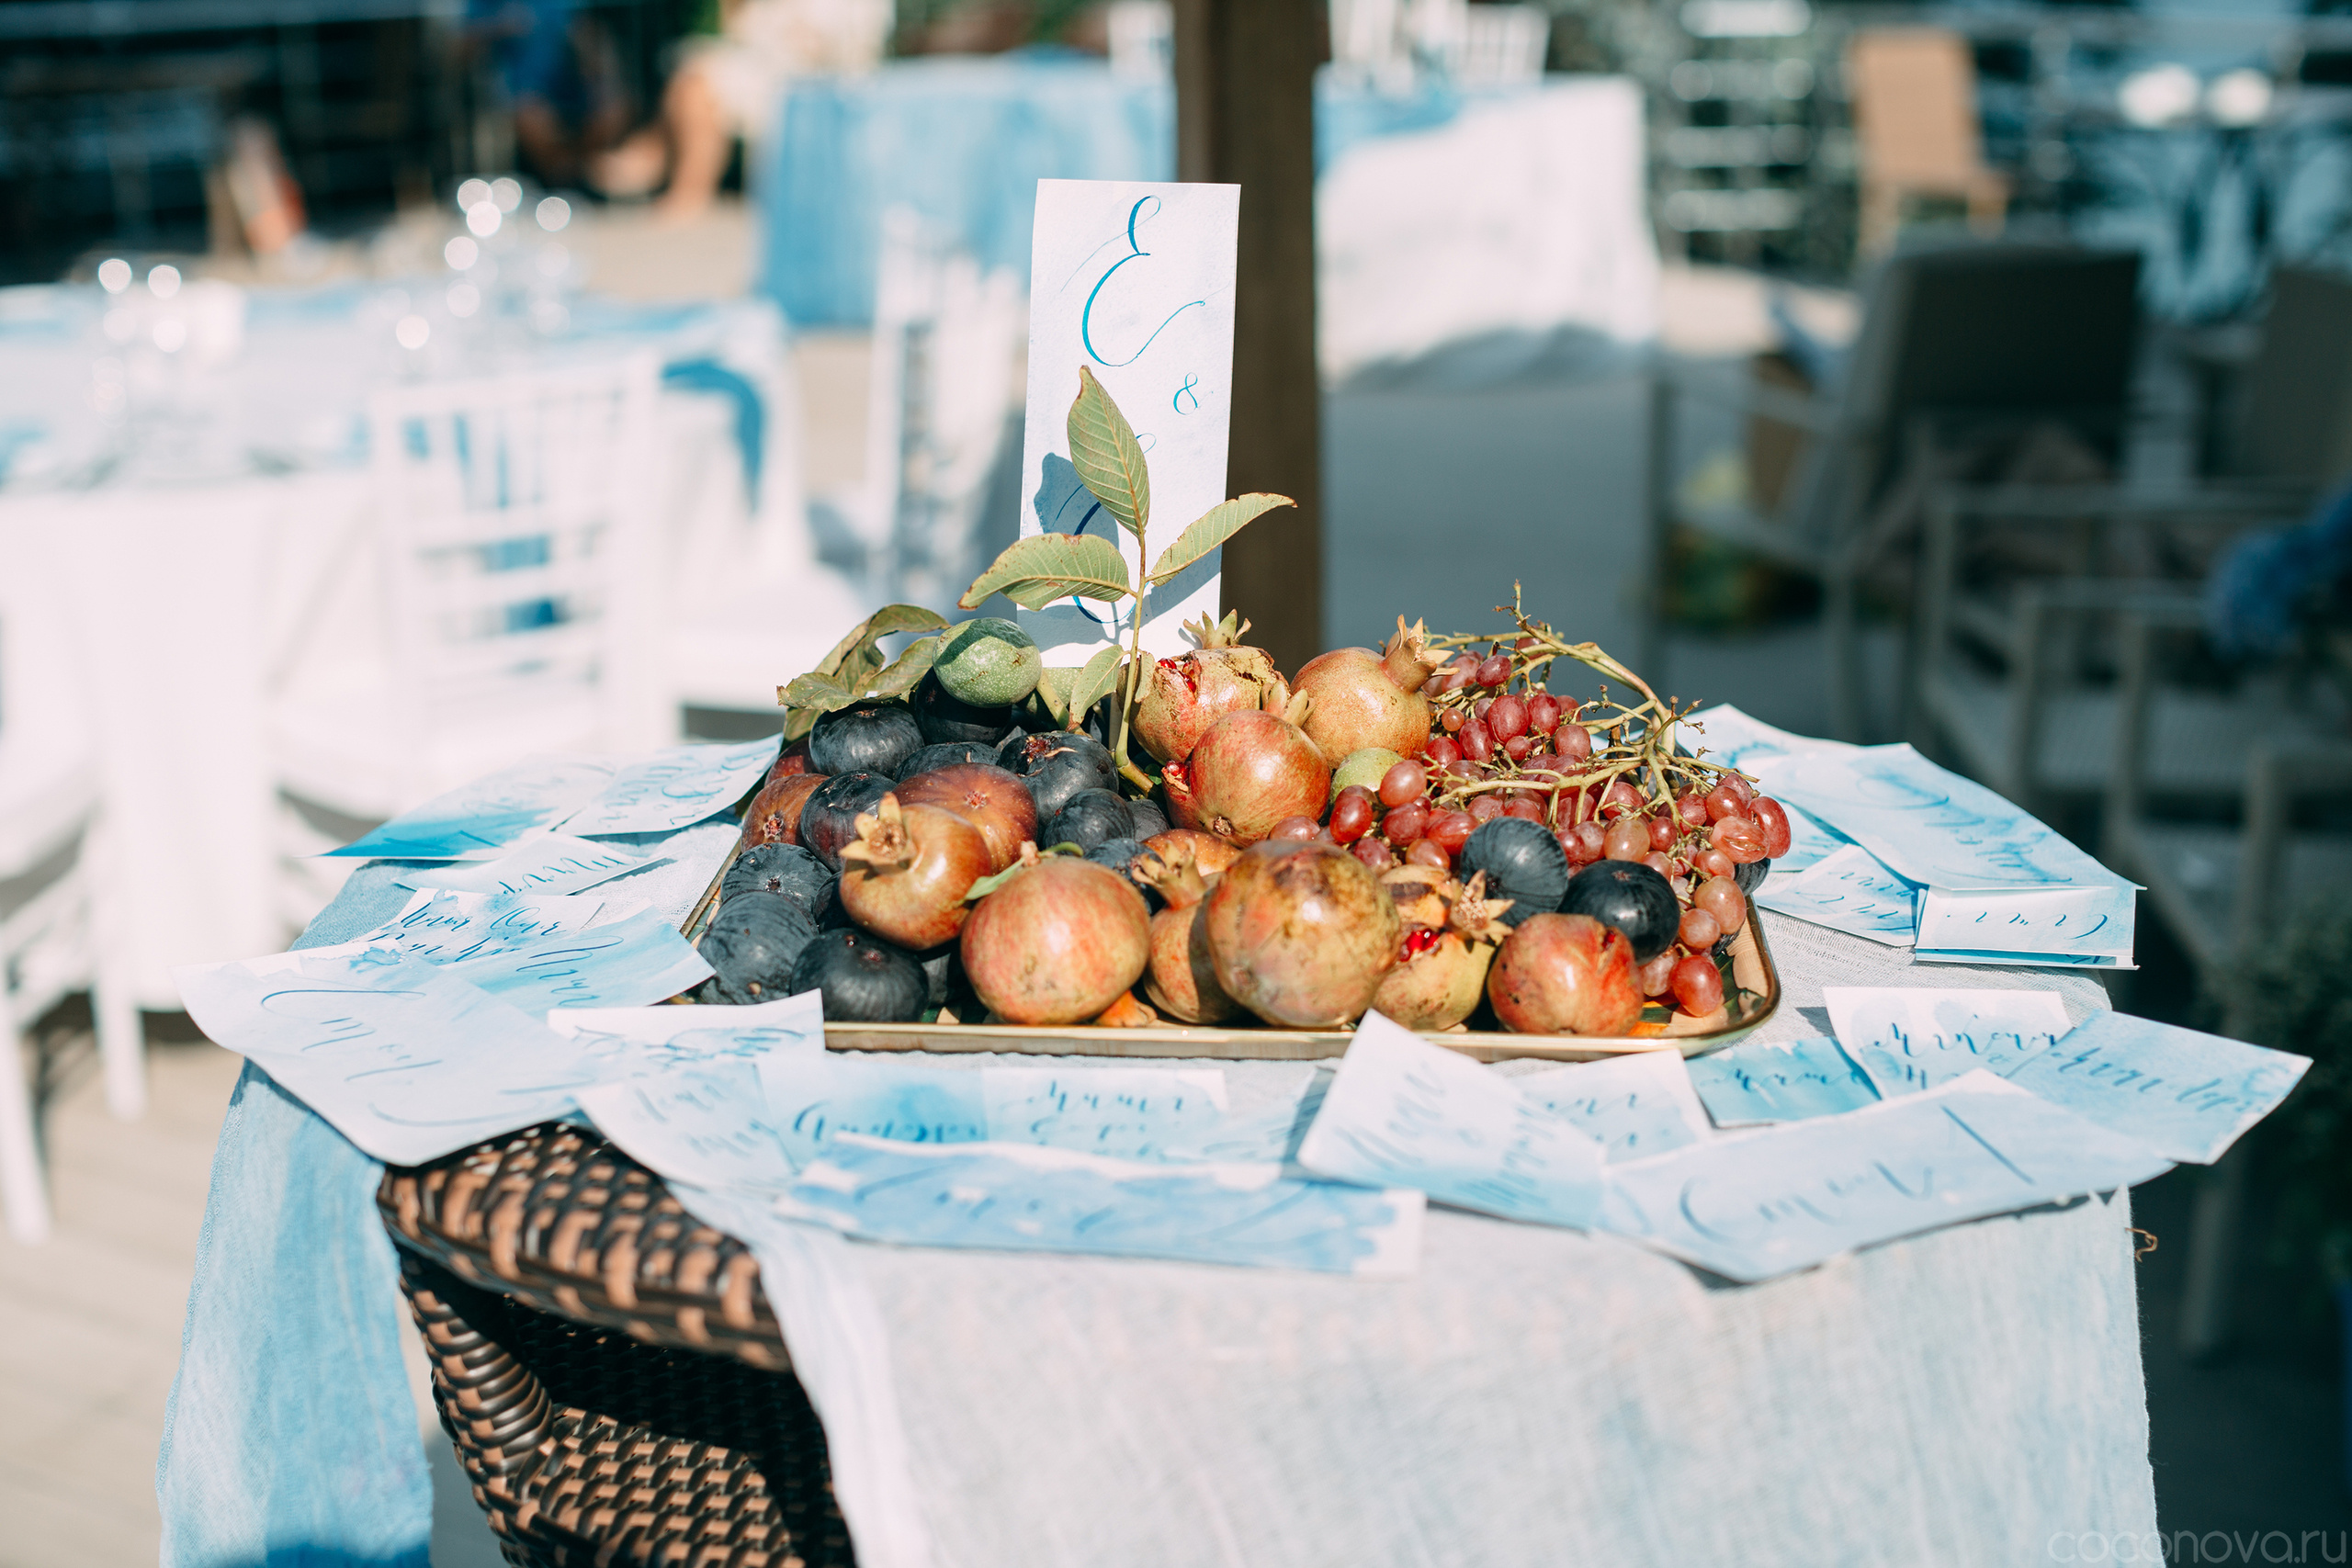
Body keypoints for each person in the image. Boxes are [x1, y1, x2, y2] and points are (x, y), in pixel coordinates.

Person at [593, 0, 891, 220]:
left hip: (818, 85)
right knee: (694, 73)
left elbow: (845, 52)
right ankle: (656, 158)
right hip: (771, 72)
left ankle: (677, 182)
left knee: (698, 82)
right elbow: (740, 32)